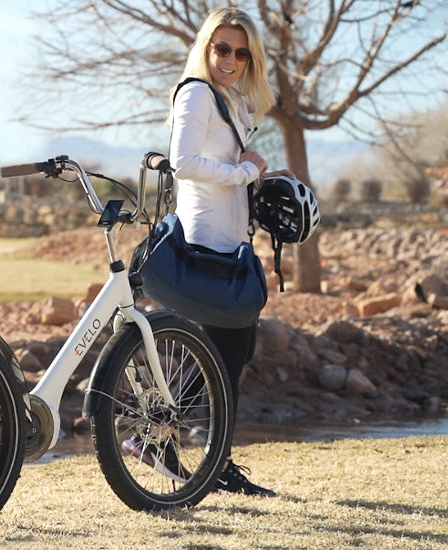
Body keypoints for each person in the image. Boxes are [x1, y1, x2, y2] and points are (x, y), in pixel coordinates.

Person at [164, 7, 290, 497]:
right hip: (206, 238)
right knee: (227, 352)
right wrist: (244, 173)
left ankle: (164, 441)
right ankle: (212, 461)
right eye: (222, 49)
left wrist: (261, 178)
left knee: (231, 352)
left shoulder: (233, 100)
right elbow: (183, 163)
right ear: (206, 49)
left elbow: (229, 165)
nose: (230, 59)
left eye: (241, 52)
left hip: (230, 236)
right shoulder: (196, 93)